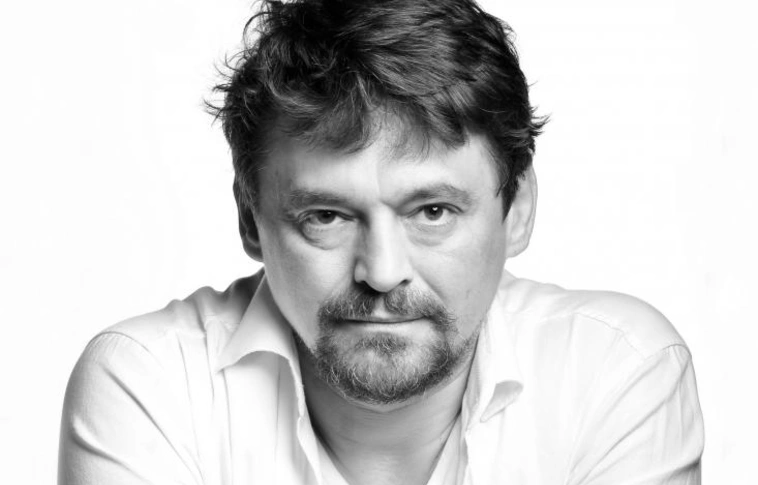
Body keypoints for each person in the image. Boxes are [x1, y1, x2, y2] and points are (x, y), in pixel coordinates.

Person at [58, 0, 704, 483]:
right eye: (326, 216)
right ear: (251, 219)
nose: (383, 272)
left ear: (518, 209)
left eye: (433, 211)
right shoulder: (151, 383)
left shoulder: (613, 370)